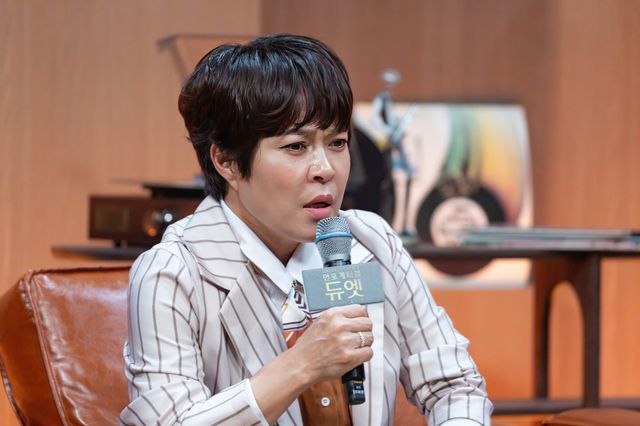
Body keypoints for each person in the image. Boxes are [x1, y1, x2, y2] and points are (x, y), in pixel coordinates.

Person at [121, 34, 492, 426]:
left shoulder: (371, 241)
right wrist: (301, 365)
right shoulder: (172, 273)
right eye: (296, 146)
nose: (326, 169)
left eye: (337, 142)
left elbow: (455, 386)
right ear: (226, 160)